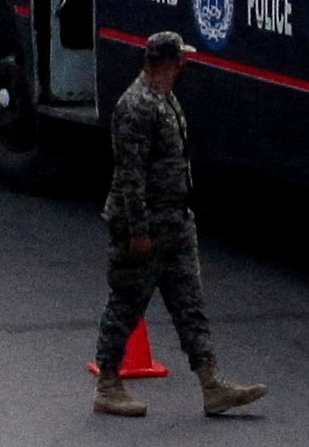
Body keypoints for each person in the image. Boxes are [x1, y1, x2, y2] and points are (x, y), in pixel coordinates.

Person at [92, 28, 263, 420]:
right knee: (126, 304)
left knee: (190, 304)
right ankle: (108, 384)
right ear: (169, 61)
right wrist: (138, 230)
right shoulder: (136, 106)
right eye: (181, 57)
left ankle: (211, 383)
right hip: (147, 227)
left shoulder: (165, 99)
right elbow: (130, 175)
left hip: (175, 223)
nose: (186, 63)